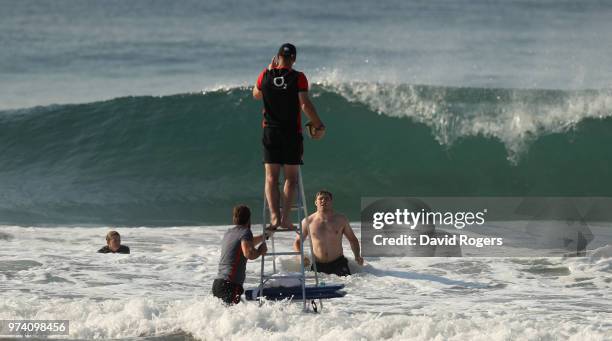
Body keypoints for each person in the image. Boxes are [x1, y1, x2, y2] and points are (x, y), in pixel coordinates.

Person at [252, 43, 325, 230]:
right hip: (291, 133)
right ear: (294, 58)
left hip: (270, 131)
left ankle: (275, 218)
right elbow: (305, 105)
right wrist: (318, 124)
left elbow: (256, 94)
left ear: (277, 57)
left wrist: (269, 69)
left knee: (270, 178)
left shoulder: (265, 75)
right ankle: (285, 218)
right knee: (290, 179)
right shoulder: (298, 77)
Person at [293, 190, 363, 276]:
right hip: (318, 265)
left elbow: (352, 239)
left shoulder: (341, 220)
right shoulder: (308, 221)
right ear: (316, 202)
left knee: (347, 287)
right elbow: (297, 242)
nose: (323, 201)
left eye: (327, 199)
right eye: (320, 199)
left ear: (331, 202)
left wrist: (357, 256)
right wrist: (301, 256)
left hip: (339, 263)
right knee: (318, 288)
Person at [212, 205, 268, 305]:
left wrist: (264, 236)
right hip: (230, 285)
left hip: (218, 284)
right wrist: (260, 251)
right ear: (249, 219)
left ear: (234, 218)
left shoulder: (229, 233)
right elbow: (248, 253)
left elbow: (245, 244)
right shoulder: (246, 231)